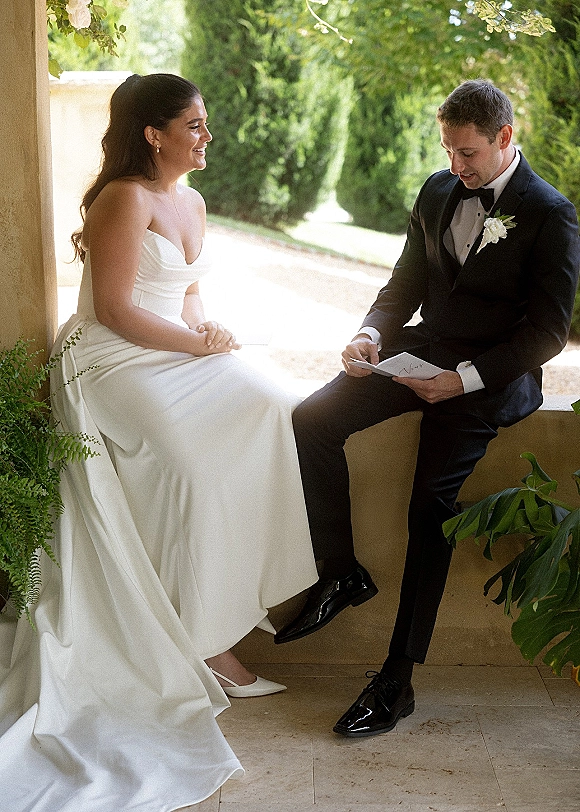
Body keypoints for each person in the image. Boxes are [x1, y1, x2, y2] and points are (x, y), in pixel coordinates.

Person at [0, 73, 317, 809]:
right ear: (154, 133)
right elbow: (113, 309)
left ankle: (230, 607)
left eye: (206, 124)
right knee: (186, 467)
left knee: (272, 405)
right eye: (196, 125)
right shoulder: (123, 199)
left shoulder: (194, 200)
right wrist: (195, 347)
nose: (207, 136)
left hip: (173, 346)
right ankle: (203, 643)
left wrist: (208, 330)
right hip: (110, 360)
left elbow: (190, 291)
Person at [274, 79, 580, 737]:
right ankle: (342, 573)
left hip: (489, 380)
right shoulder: (438, 190)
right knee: (312, 418)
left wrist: (464, 380)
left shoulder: (551, 212)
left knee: (429, 508)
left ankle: (396, 680)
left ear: (503, 137)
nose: (455, 166)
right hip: (420, 354)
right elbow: (405, 282)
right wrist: (371, 333)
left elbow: (549, 332)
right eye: (447, 148)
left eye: (467, 152)